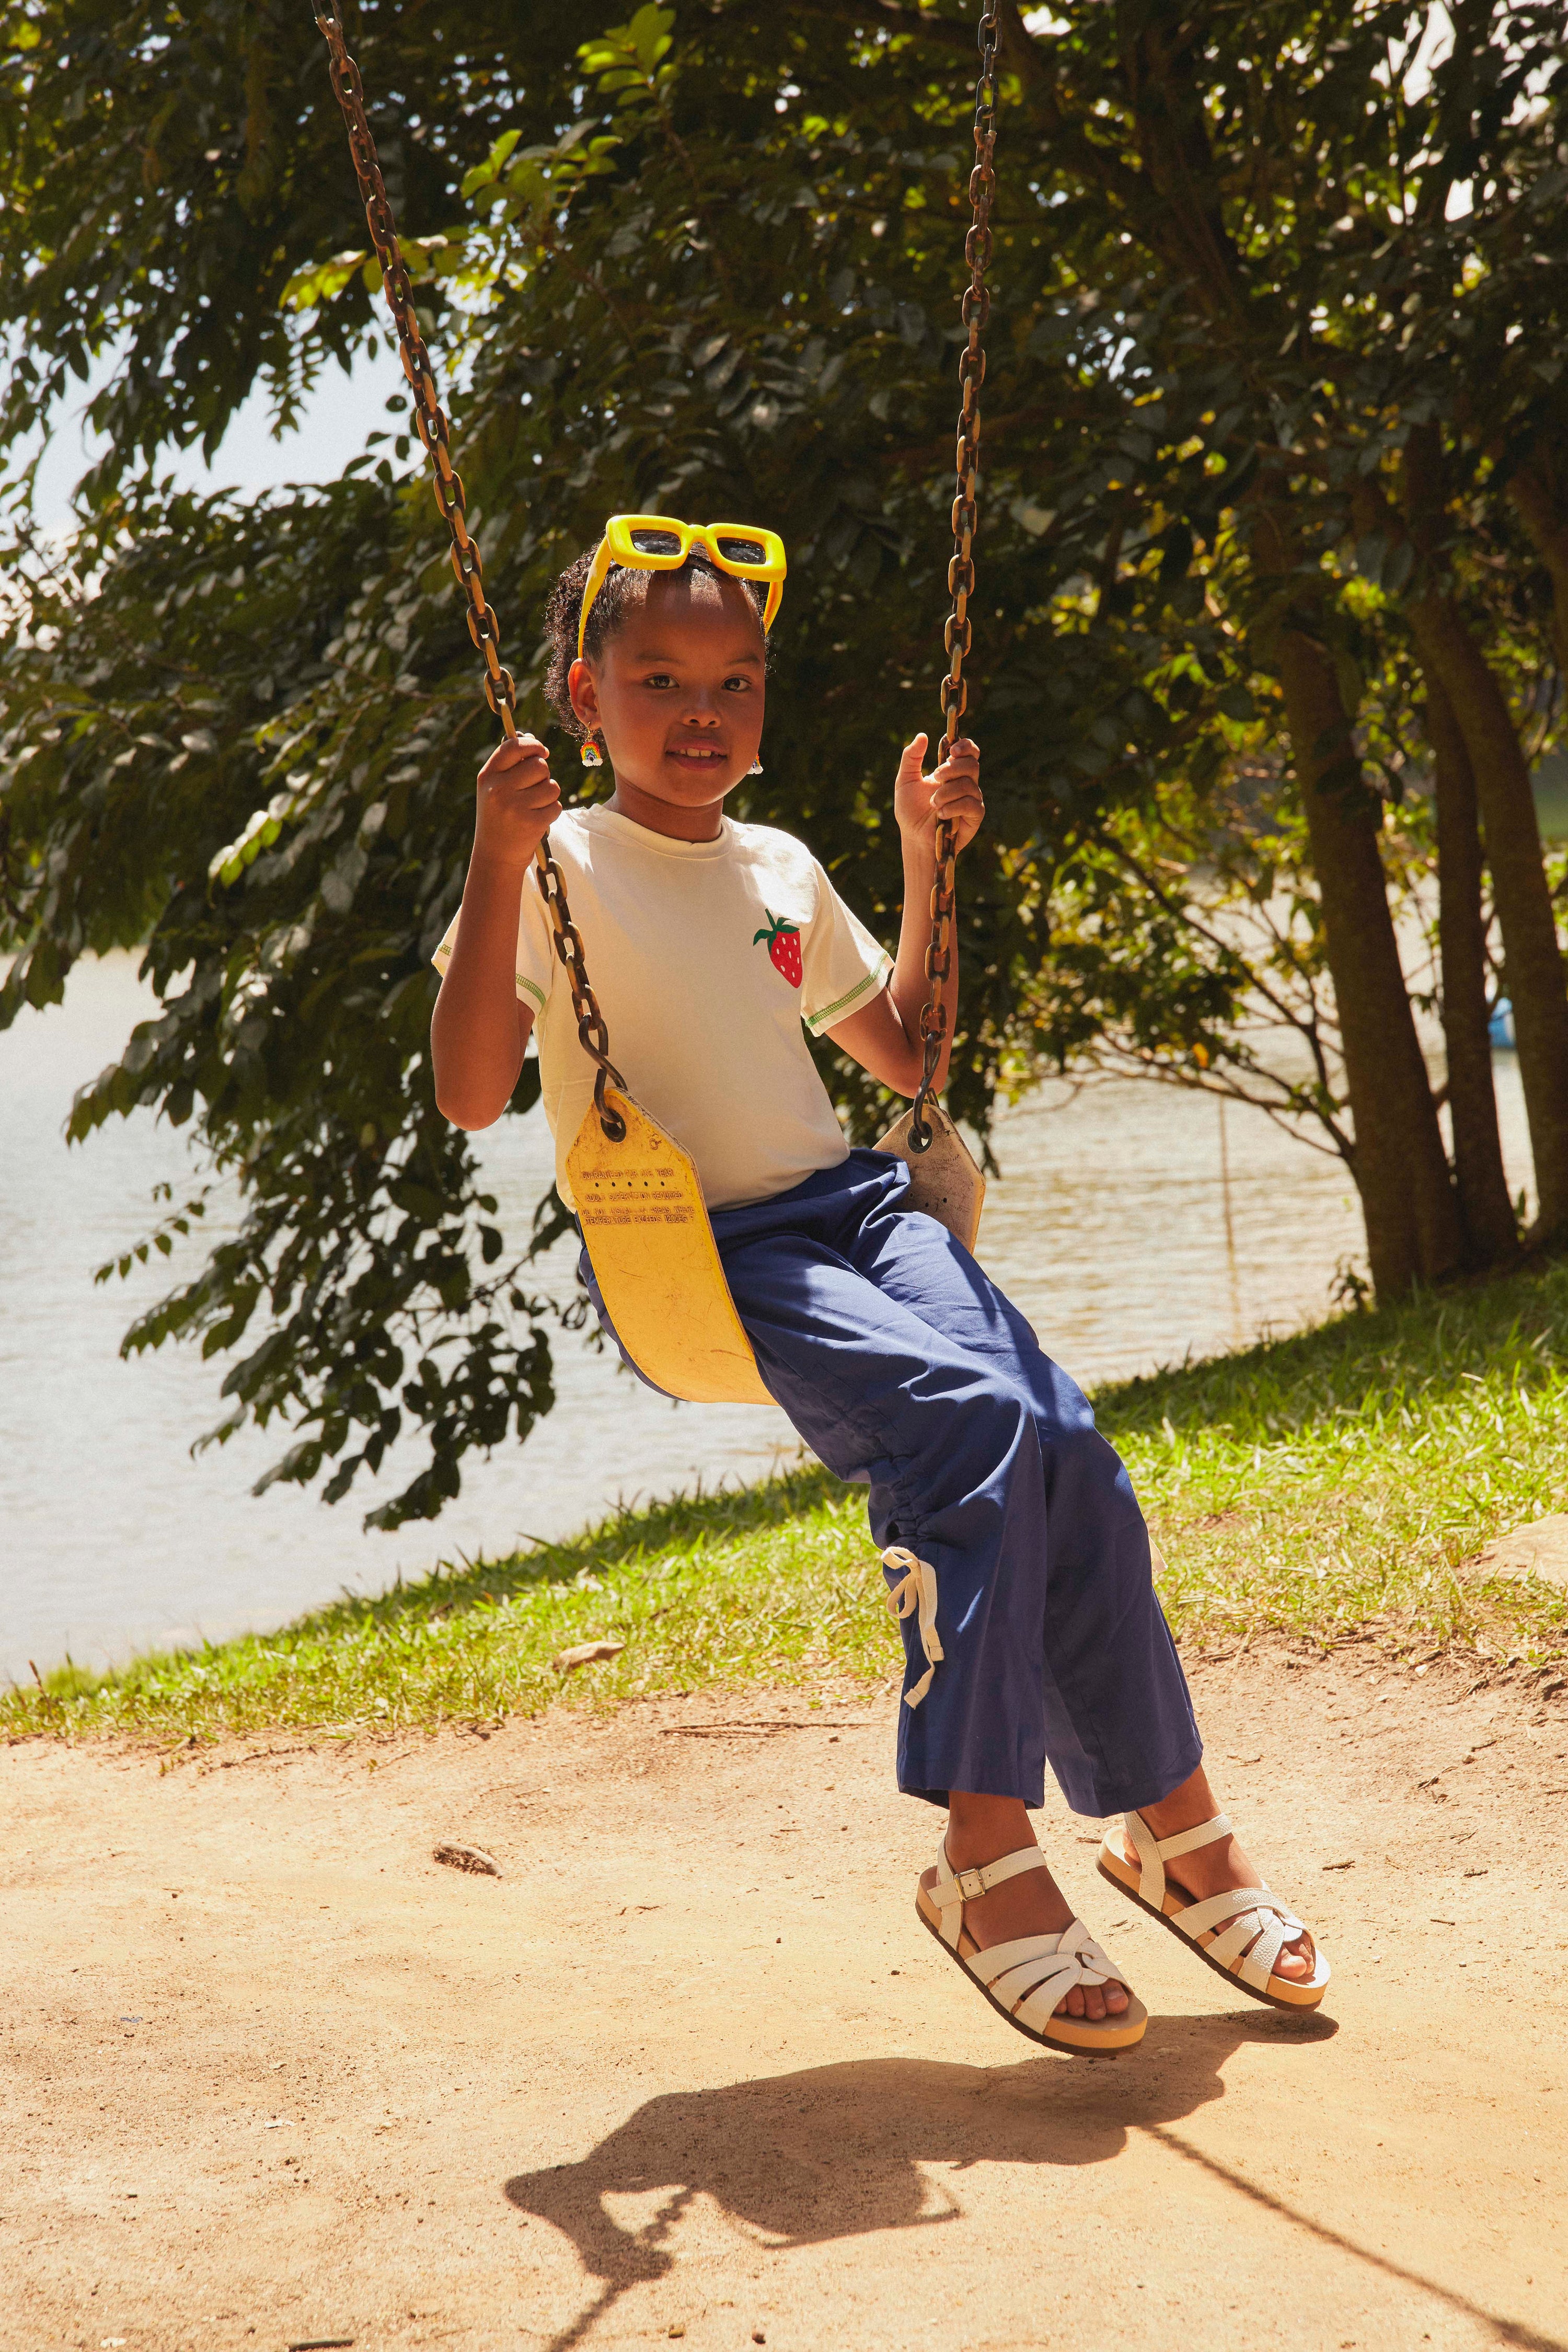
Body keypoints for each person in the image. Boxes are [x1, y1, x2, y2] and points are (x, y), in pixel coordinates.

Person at [429, 516, 1330, 2054]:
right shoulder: (561, 865)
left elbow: (905, 1052)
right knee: (969, 1423)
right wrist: (494, 854)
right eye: (658, 678)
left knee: (1064, 1432)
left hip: (860, 1203)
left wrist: (923, 859)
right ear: (584, 699)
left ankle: (1168, 1827)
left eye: (734, 679)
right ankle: (982, 1857)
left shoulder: (780, 865)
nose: (700, 710)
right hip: (715, 1242)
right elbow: (466, 1092)